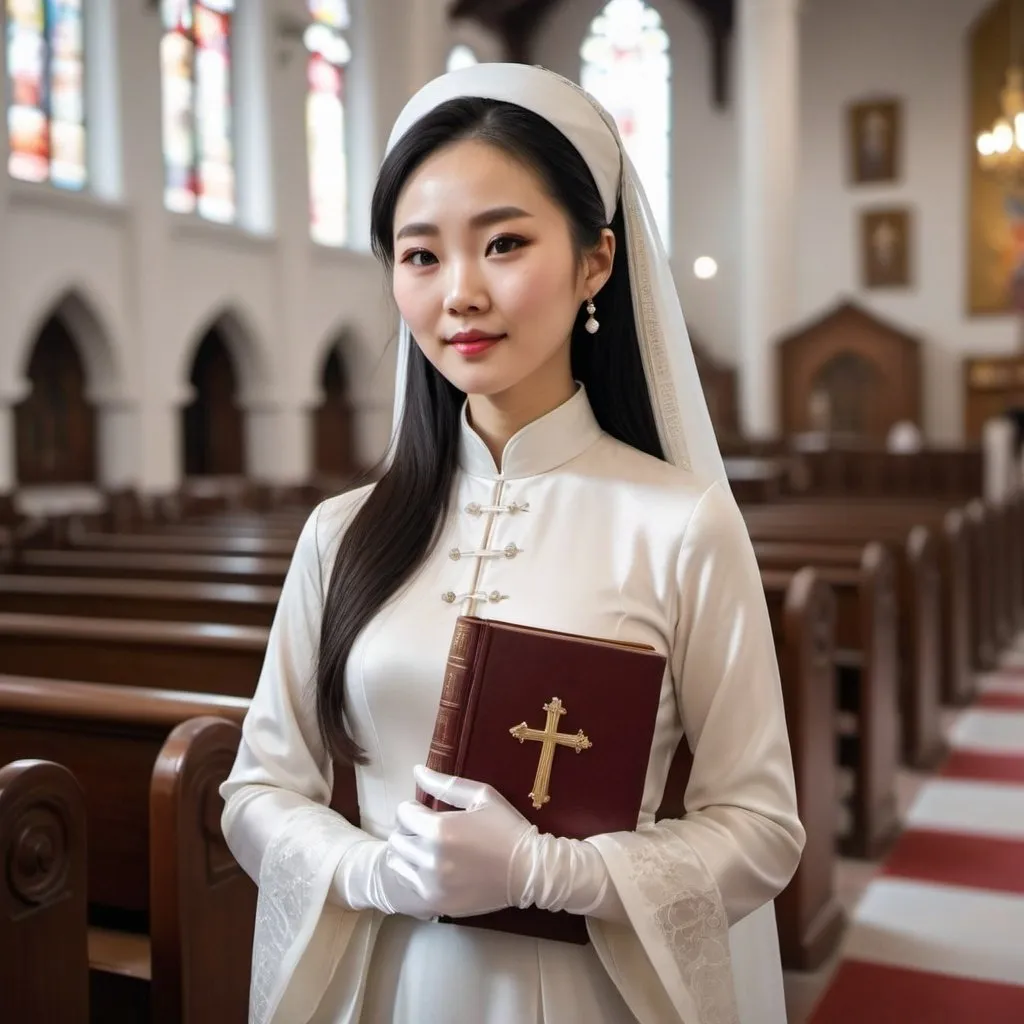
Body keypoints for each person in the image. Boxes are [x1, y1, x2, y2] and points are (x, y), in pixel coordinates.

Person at [220, 63, 804, 1024]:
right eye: (420, 256)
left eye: (503, 243)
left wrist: (552, 871)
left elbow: (762, 829)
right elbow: (257, 794)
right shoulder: (341, 534)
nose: (459, 293)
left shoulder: (682, 523)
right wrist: (374, 873)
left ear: (596, 262)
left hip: (591, 990)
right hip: (388, 982)